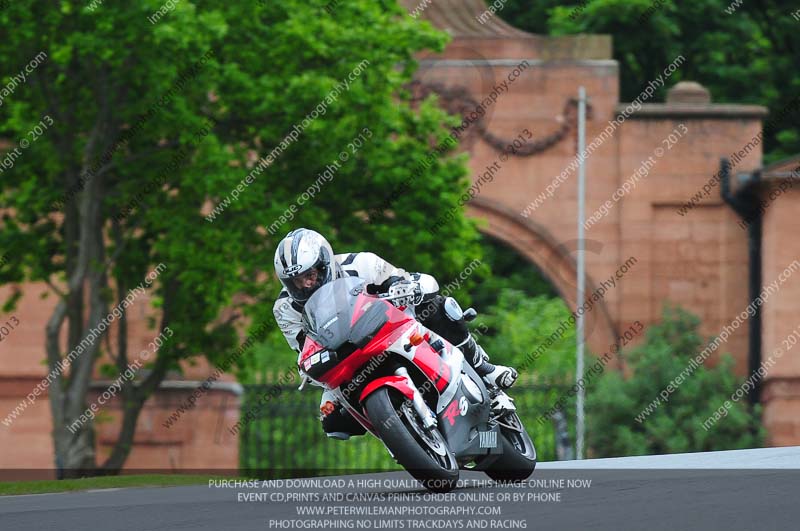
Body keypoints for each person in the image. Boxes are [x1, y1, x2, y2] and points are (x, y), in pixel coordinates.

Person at [273, 228, 518, 439]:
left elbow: (404, 279)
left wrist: (404, 287)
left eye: (310, 275)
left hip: (391, 327)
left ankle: (486, 373)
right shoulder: (284, 309)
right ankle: (402, 434)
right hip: (344, 356)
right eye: (296, 280)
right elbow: (304, 349)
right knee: (332, 420)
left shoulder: (360, 263)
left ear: (324, 263)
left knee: (439, 307)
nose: (306, 284)